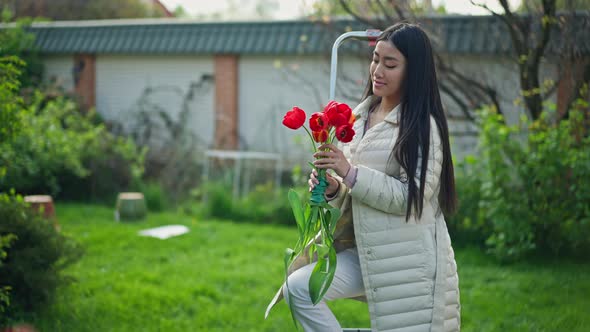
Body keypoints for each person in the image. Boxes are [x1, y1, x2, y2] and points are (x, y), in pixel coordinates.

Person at [266, 22, 461, 331]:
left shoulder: (423, 127)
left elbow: (410, 198)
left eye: (390, 63)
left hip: (405, 260)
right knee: (298, 289)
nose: (377, 70)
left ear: (414, 71)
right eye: (375, 59)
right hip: (361, 250)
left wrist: (349, 171)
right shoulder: (357, 118)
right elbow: (355, 190)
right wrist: (334, 188)